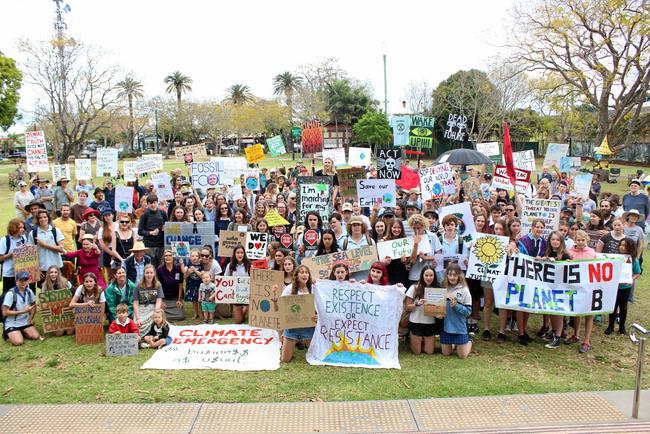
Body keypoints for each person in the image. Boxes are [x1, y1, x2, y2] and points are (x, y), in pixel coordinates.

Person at [272, 265, 317, 363]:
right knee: (285, 360)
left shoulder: (313, 288)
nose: (304, 274)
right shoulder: (289, 289)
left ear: (309, 275)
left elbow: (320, 308)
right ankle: (293, 342)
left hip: (309, 328)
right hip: (292, 328)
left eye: (306, 272)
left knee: (315, 357)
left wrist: (317, 316)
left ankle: (302, 342)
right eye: (302, 272)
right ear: (296, 276)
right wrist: (275, 301)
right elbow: (278, 309)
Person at [567, 229, 597, 353]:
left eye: (583, 240)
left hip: (589, 286)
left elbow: (595, 267)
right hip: (575, 286)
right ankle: (576, 334)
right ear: (574, 240)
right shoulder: (570, 252)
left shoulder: (591, 252)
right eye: (578, 240)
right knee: (576, 312)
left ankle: (586, 341)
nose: (580, 242)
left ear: (587, 240)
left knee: (589, 314)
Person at [541, 231, 571, 349]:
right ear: (549, 241)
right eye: (553, 239)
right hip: (549, 286)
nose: (555, 242)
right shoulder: (547, 252)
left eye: (557, 240)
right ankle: (553, 332)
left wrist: (566, 263)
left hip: (560, 288)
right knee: (551, 311)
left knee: (558, 313)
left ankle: (557, 337)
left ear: (561, 242)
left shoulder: (565, 255)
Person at [605, 238, 640, 335]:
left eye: (624, 245)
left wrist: (631, 279)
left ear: (630, 247)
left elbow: (637, 272)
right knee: (613, 306)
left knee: (623, 307)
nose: (622, 247)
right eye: (621, 244)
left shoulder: (633, 259)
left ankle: (621, 327)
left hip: (625, 287)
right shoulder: (614, 257)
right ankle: (610, 326)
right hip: (614, 287)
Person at [439, 263, 472, 359]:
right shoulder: (443, 288)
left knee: (462, 356)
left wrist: (457, 306)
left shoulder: (464, 290)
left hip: (459, 327)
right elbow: (438, 306)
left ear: (459, 276)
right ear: (447, 275)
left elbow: (468, 312)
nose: (452, 277)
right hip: (446, 327)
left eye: (454, 275)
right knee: (446, 353)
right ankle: (454, 344)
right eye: (450, 274)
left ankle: (470, 341)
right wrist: (438, 313)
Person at [405, 266, 439, 355]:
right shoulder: (414, 288)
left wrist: (439, 314)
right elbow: (407, 307)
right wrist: (417, 304)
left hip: (430, 322)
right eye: (426, 275)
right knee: (417, 352)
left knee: (429, 352)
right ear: (422, 276)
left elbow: (439, 309)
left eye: (431, 275)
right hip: (416, 322)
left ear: (434, 276)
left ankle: (421, 340)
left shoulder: (437, 289)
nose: (429, 278)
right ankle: (415, 338)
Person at [2, 271, 42, 345]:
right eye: (21, 280)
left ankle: (21, 331)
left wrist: (31, 317)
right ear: (16, 281)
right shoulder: (10, 294)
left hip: (24, 321)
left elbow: (33, 306)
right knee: (18, 342)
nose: (23, 283)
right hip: (12, 323)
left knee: (36, 336)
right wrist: (23, 311)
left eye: (25, 280)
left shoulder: (29, 292)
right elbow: (5, 312)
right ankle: (9, 332)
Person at [27, 210, 65, 287]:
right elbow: (31, 254)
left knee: (59, 289)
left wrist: (45, 245)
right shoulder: (33, 233)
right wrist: (36, 269)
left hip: (56, 266)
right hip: (43, 268)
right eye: (40, 218)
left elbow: (61, 249)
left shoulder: (55, 231)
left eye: (45, 217)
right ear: (37, 220)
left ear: (48, 218)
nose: (43, 219)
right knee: (45, 292)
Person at [41, 265, 74, 336]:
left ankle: (70, 323)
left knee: (69, 332)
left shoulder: (66, 282)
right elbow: (44, 304)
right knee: (59, 333)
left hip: (67, 310)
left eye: (55, 272)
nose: (53, 274)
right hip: (55, 312)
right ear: (48, 274)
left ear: (58, 273)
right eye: (51, 272)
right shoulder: (45, 286)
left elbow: (74, 296)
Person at [133, 264, 163, 339]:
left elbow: (159, 300)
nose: (149, 275)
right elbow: (135, 303)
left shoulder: (158, 285)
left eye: (151, 272)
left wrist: (156, 312)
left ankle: (151, 336)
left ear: (154, 273)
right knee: (139, 324)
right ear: (144, 274)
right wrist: (138, 318)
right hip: (141, 308)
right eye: (147, 273)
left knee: (156, 320)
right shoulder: (138, 286)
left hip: (153, 307)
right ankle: (142, 338)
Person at [138, 194, 167, 268]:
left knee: (161, 266)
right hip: (149, 245)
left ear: (157, 203)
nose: (153, 205)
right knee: (151, 266)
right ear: (147, 204)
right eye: (150, 203)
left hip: (161, 244)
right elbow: (140, 231)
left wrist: (165, 228)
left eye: (154, 203)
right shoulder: (144, 215)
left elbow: (167, 224)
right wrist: (151, 233)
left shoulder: (162, 213)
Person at [224, 245, 251, 324]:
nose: (240, 255)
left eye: (242, 253)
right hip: (236, 294)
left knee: (251, 319)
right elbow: (226, 279)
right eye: (238, 253)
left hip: (248, 293)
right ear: (234, 254)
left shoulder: (249, 265)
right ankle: (240, 309)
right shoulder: (230, 266)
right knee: (238, 320)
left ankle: (246, 308)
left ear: (244, 254)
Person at [156, 250, 185, 321]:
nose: (168, 257)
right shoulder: (160, 269)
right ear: (164, 258)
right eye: (166, 256)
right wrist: (161, 300)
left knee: (181, 316)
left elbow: (180, 284)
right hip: (164, 298)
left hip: (175, 298)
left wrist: (179, 299)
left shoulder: (178, 268)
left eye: (170, 255)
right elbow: (157, 285)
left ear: (173, 258)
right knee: (160, 313)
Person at [0, 218, 27, 292]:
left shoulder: (23, 238)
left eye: (23, 227)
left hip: (21, 272)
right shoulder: (4, 240)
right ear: (13, 228)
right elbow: (1, 258)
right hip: (9, 273)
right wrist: (15, 252)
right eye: (20, 227)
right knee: (7, 294)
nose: (22, 229)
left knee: (21, 292)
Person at [182, 249, 203, 321]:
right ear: (190, 257)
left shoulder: (201, 265)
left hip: (199, 285)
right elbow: (184, 275)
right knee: (194, 300)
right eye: (193, 256)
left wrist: (195, 270)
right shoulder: (188, 265)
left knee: (199, 300)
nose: (194, 257)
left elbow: (202, 275)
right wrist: (188, 271)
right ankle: (195, 313)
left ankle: (201, 313)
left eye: (196, 256)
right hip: (191, 285)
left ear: (199, 257)